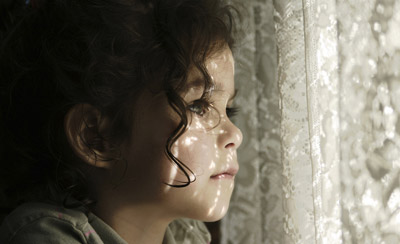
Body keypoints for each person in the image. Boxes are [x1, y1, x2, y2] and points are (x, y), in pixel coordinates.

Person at [0, 0, 243, 243]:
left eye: (228, 110)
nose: (235, 134)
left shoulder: (188, 235)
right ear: (96, 137)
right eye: (198, 106)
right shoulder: (45, 236)